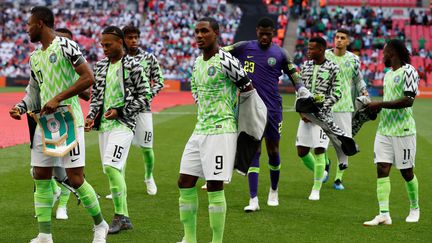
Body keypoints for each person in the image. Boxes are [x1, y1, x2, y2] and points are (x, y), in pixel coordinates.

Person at [8, 6, 108, 243]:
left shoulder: (66, 46)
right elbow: (34, 92)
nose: (27, 29)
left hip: (68, 121)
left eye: (29, 24)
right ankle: (44, 235)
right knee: (40, 175)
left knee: (75, 179)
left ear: (40, 23)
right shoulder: (35, 57)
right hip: (45, 123)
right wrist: (21, 107)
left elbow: (88, 78)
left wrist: (58, 98)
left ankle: (100, 225)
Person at [177, 17, 256, 243]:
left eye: (205, 31)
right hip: (200, 129)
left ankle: (216, 241)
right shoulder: (196, 62)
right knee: (184, 181)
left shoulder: (227, 60)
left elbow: (247, 89)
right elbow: (195, 90)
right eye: (197, 32)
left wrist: (245, 120)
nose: (200, 35)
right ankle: (190, 239)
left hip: (221, 130)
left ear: (216, 33)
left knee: (214, 186)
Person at [222, 17, 301, 211]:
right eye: (261, 33)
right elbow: (220, 53)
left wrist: (301, 88)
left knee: (273, 150)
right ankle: (253, 199)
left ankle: (273, 190)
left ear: (273, 33)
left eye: (268, 33)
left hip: (273, 109)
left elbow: (293, 73)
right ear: (257, 31)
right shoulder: (243, 47)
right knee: (254, 150)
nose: (264, 37)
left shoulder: (280, 53)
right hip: (250, 108)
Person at [85, 26, 150, 234]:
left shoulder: (134, 66)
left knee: (111, 166)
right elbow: (97, 96)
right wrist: (90, 116)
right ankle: (125, 217)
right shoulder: (101, 66)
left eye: (108, 44)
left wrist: (120, 111)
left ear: (120, 42)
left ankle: (121, 216)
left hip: (124, 124)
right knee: (111, 169)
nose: (104, 48)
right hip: (105, 126)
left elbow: (144, 96)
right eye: (102, 44)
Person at [363, 39, 420, 226]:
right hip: (384, 130)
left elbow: (408, 100)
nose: (383, 56)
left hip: (403, 130)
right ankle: (384, 214)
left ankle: (414, 208)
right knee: (381, 168)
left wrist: (379, 104)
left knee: (406, 172)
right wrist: (374, 109)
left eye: (385, 52)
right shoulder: (388, 75)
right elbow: (389, 100)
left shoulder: (409, 71)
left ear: (393, 52)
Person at [296, 37, 341, 201]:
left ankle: (316, 188)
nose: (308, 51)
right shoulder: (305, 66)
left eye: (311, 49)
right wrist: (301, 110)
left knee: (319, 150)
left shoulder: (333, 68)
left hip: (323, 117)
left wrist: (319, 108)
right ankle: (322, 171)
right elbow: (299, 89)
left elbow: (337, 93)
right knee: (301, 151)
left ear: (321, 49)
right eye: (308, 48)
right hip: (305, 117)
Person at [324, 29, 368, 190]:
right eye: (336, 37)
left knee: (344, 143)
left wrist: (364, 91)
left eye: (343, 38)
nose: (339, 40)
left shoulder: (354, 60)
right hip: (325, 106)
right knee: (321, 143)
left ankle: (338, 179)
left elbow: (358, 80)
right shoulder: (326, 56)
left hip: (344, 107)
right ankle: (325, 164)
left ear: (348, 41)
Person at [123, 25, 164, 196]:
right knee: (121, 148)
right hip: (123, 111)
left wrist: (146, 97)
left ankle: (149, 177)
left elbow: (159, 81)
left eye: (135, 37)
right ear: (123, 39)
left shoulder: (149, 58)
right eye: (130, 37)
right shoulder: (118, 59)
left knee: (147, 148)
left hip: (143, 110)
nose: (133, 40)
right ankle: (120, 185)